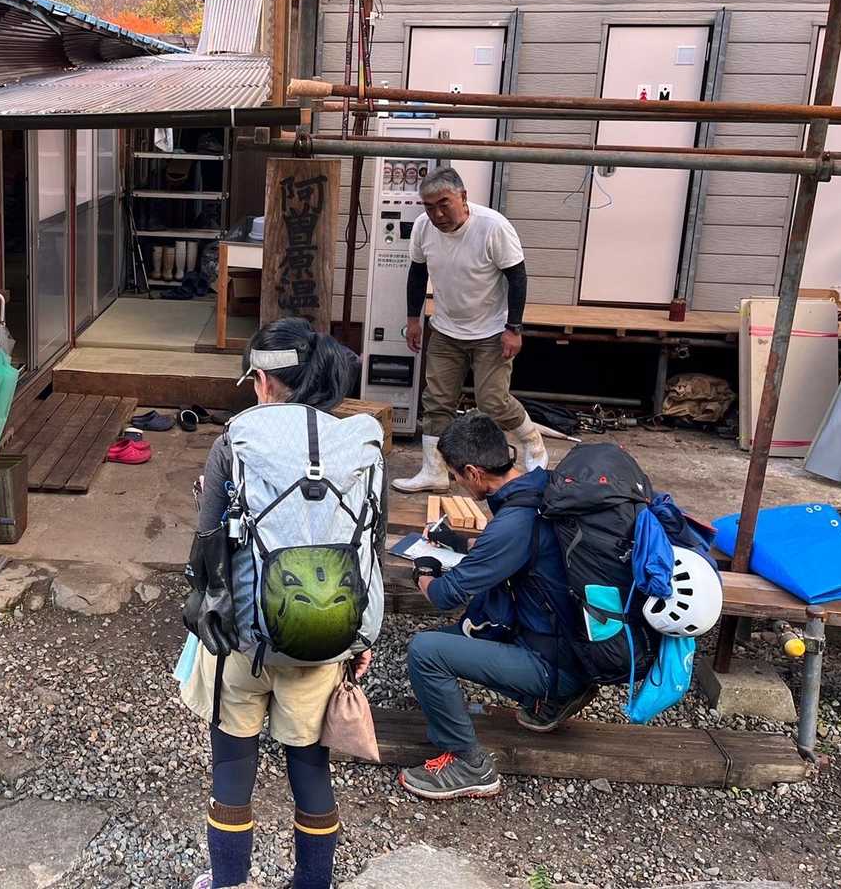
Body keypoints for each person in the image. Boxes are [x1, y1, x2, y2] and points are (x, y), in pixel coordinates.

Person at [180, 318, 374, 889]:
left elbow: (206, 542)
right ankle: (311, 884)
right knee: (310, 769)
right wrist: (361, 638)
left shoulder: (234, 441)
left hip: (241, 639)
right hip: (324, 637)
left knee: (232, 768)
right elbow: (369, 548)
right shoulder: (358, 445)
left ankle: (229, 882)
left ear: (263, 381)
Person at [399, 412, 596, 801]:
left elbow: (446, 596)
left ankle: (468, 763)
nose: (456, 482)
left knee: (426, 651)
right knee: (458, 635)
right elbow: (522, 551)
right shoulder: (542, 488)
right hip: (576, 647)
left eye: (455, 475)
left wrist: (422, 572)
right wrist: (462, 544)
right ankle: (551, 700)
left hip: (552, 662)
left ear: (474, 473)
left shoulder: (512, 523)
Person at [393, 168, 547, 493]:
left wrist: (514, 328)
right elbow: (417, 274)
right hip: (446, 328)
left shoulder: (493, 227)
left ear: (462, 197)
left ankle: (533, 444)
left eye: (444, 204)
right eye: (429, 206)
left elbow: (517, 277)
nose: (437, 214)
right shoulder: (423, 227)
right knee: (437, 401)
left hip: (492, 329)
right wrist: (413, 319)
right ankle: (434, 471)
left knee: (493, 401)